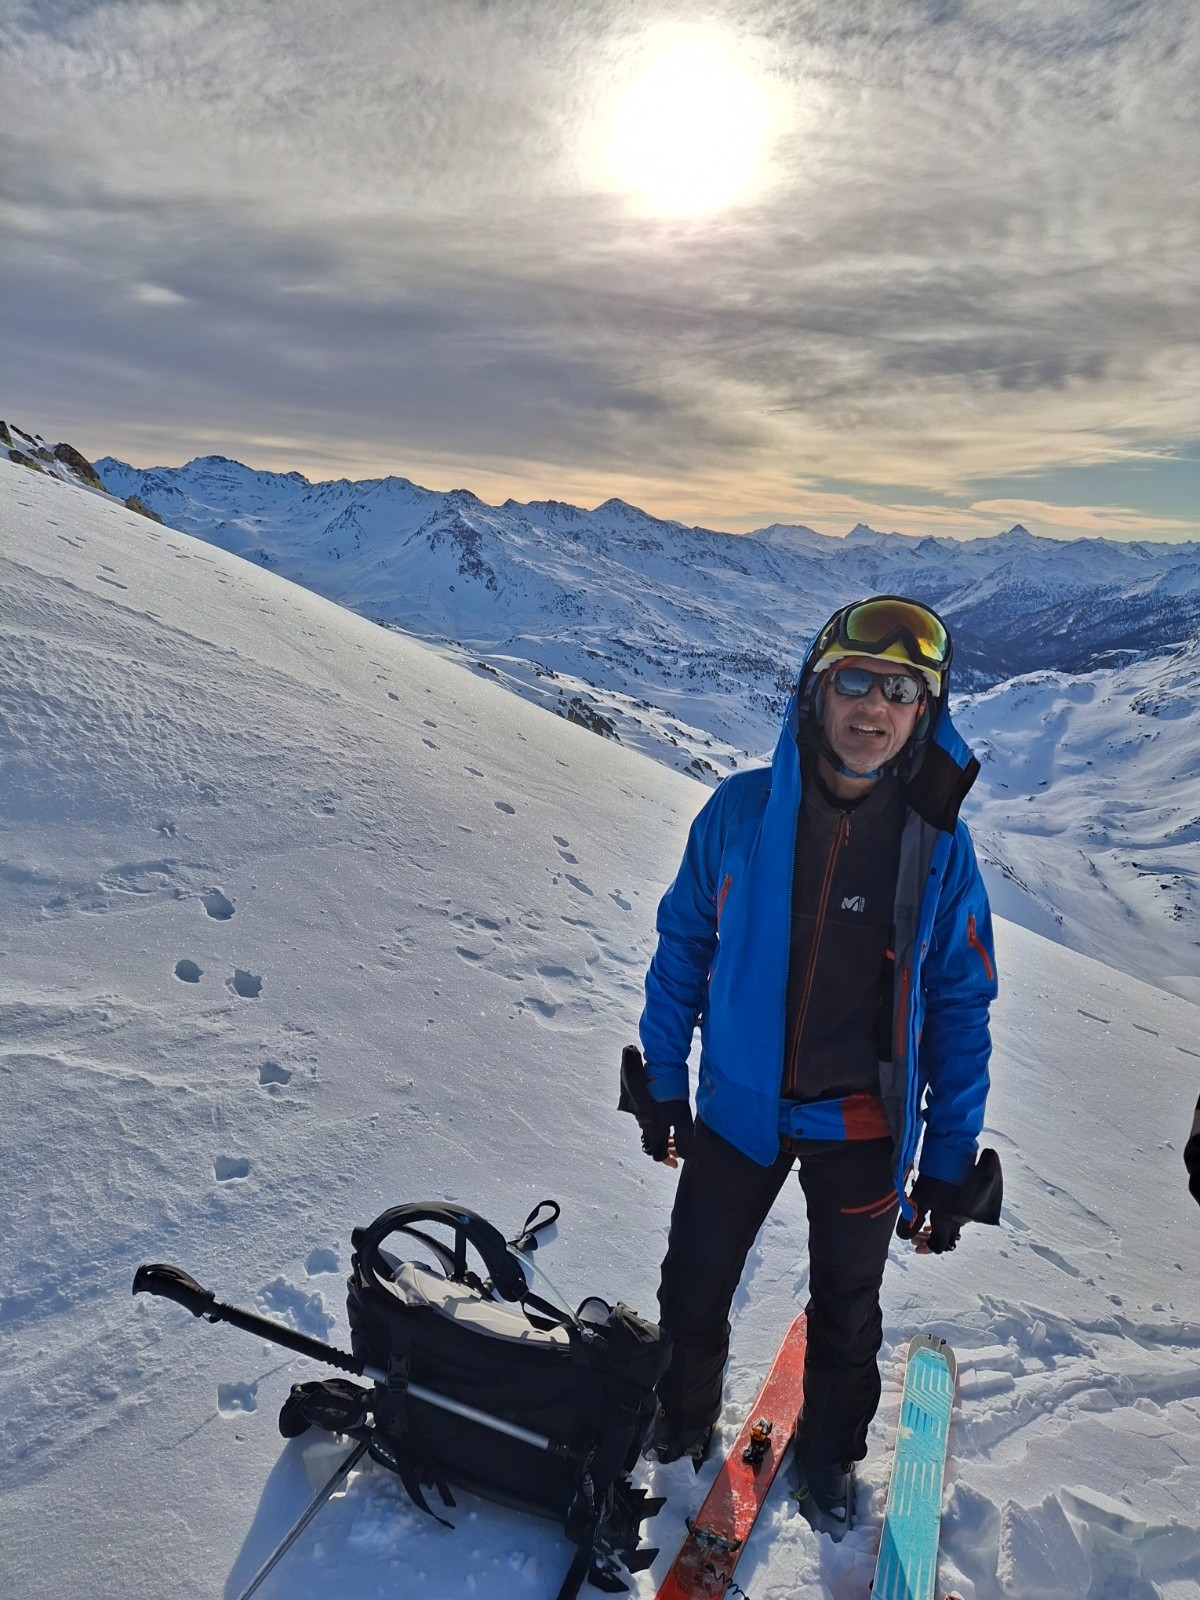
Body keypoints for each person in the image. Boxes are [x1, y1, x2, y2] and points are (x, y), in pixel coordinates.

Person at [620, 595, 1000, 1538]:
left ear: (926, 713)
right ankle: (678, 1424)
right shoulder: (741, 814)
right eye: (855, 682)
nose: (873, 708)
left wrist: (949, 1155)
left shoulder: (939, 846)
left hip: (862, 1127)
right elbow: (683, 946)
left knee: (847, 1310)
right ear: (815, 693)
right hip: (740, 1111)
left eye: (902, 691)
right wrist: (665, 1076)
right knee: (694, 1286)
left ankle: (829, 1457)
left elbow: (960, 1001)